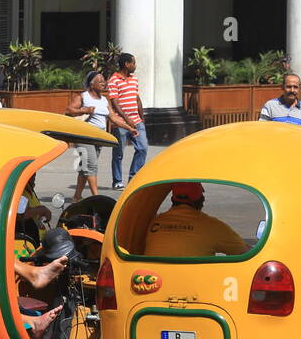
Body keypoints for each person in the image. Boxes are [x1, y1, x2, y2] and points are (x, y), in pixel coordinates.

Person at [65, 71, 133, 199]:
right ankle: (96, 198)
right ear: (91, 84)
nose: (104, 83)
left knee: (85, 167)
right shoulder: (83, 97)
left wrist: (129, 128)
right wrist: (84, 110)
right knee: (91, 165)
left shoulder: (104, 100)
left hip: (98, 138)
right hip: (84, 137)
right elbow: (68, 110)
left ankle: (76, 197)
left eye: (104, 81)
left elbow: (114, 118)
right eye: (100, 81)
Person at [141, 183, 248, 259]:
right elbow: (245, 252)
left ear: (173, 199)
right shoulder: (212, 226)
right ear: (200, 200)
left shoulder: (154, 222)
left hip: (154, 283)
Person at [106, 53, 147, 189]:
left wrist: (141, 118)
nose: (135, 66)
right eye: (133, 63)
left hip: (137, 121)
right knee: (118, 153)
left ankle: (133, 178)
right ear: (126, 64)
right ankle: (117, 181)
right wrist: (126, 119)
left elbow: (137, 99)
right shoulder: (113, 80)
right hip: (120, 123)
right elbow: (115, 102)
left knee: (142, 148)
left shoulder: (134, 80)